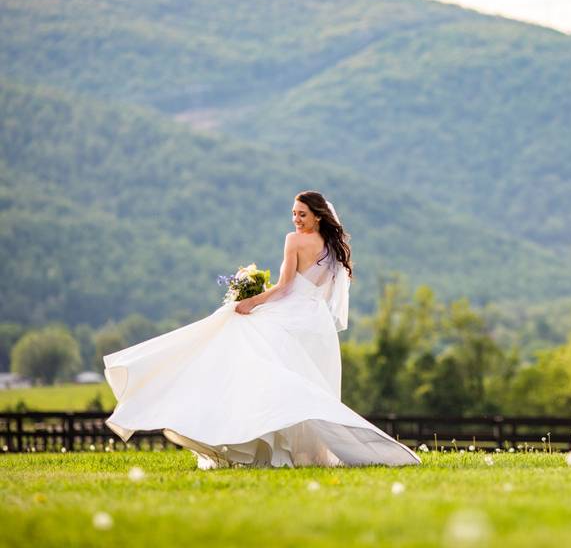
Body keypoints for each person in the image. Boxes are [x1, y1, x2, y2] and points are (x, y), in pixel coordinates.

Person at [102, 191, 422, 469]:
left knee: (236, 335)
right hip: (317, 324)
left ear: (318, 216)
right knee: (302, 382)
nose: (296, 219)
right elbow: (317, 292)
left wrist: (251, 301)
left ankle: (249, 439)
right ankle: (288, 451)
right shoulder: (335, 247)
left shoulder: (294, 240)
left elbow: (284, 287)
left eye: (302, 214)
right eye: (294, 214)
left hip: (294, 315)